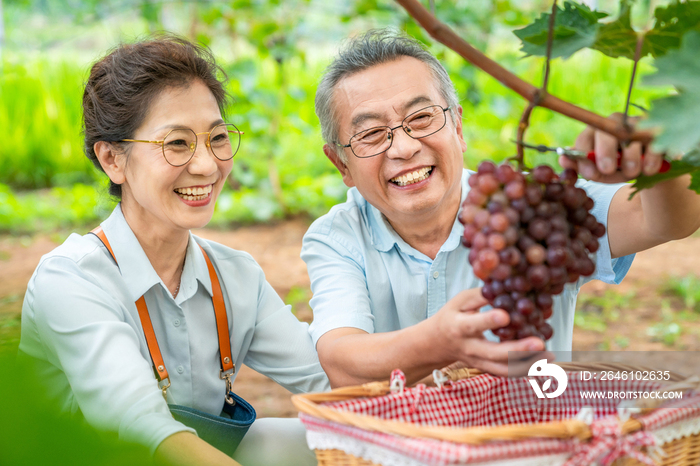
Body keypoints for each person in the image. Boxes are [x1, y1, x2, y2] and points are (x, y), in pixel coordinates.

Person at [302, 29, 700, 388]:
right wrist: (438, 341)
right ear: (341, 165)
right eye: (371, 134)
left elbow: (669, 221)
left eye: (421, 118)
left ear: (458, 129)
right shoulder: (339, 236)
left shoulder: (534, 209)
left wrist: (656, 162)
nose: (404, 148)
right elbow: (342, 361)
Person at [19, 36, 328, 466]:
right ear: (112, 160)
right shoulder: (70, 279)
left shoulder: (236, 276)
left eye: (218, 138)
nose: (207, 165)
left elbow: (324, 381)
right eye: (177, 143)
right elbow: (144, 427)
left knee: (334, 444)